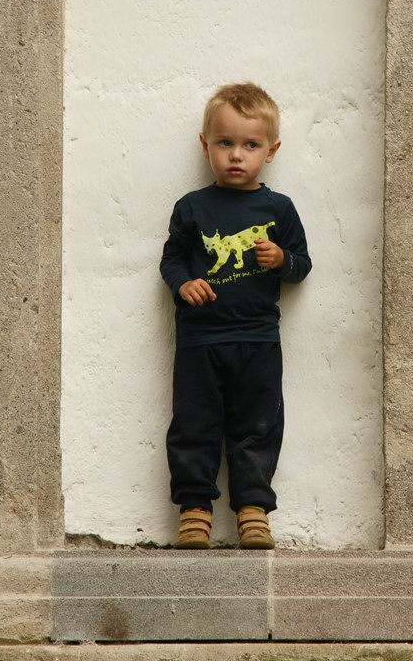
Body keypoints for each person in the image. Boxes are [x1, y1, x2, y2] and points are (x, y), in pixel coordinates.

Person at [159, 82, 311, 549]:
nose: (236, 155)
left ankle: (253, 510)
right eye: (225, 143)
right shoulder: (192, 207)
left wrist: (281, 260)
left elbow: (302, 265)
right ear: (205, 145)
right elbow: (172, 260)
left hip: (258, 340)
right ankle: (194, 510)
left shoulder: (278, 209)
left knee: (258, 427)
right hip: (200, 340)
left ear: (271, 150)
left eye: (250, 145)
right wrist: (183, 284)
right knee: (194, 425)